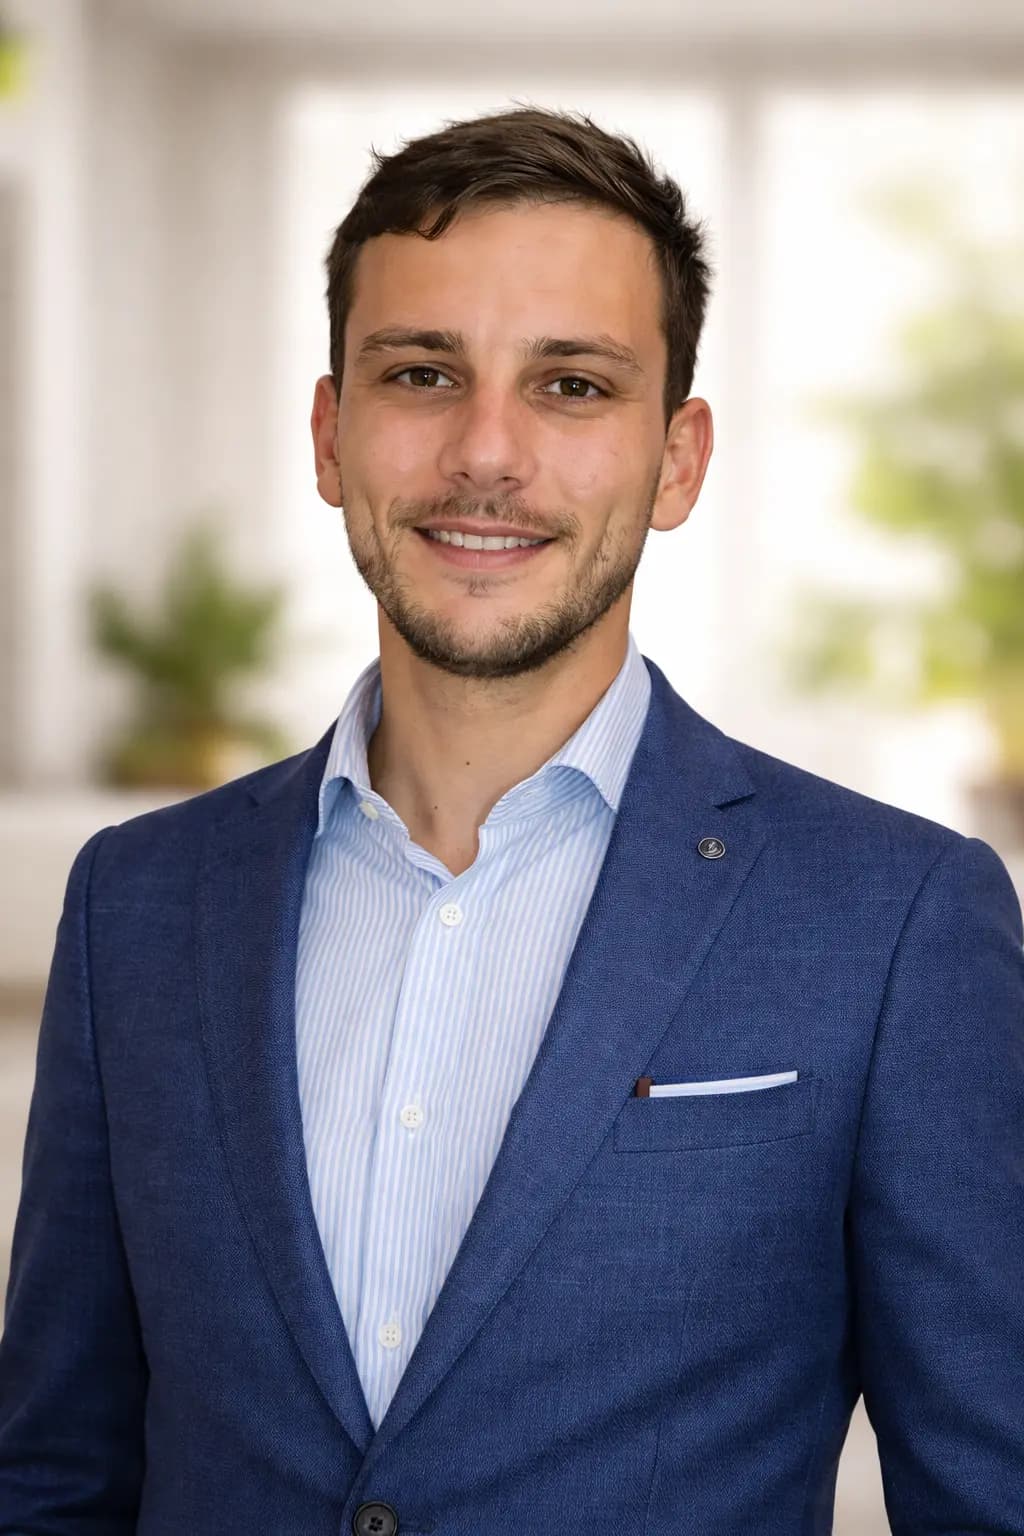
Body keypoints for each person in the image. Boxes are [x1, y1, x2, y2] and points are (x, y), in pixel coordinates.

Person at [1, 104, 1022, 1536]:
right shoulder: (139, 902)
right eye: (422, 372)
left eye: (572, 387)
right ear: (329, 432)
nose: (487, 453)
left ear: (677, 459)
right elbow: (55, 1474)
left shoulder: (896, 922)